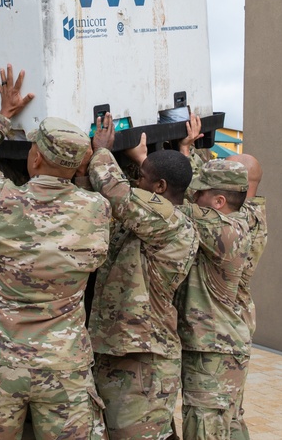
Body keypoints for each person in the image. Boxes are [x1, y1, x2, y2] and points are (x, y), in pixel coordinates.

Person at [0, 65, 111, 439]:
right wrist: (98, 158)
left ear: (35, 158)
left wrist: (1, 119)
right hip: (64, 365)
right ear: (78, 164)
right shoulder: (97, 211)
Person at [86, 119, 200, 440]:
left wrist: (103, 151)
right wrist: (141, 161)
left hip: (144, 363)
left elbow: (117, 192)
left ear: (160, 187)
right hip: (123, 353)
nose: (137, 182)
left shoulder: (170, 224)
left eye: (143, 179)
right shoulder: (157, 218)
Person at [175, 159, 253, 440]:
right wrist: (186, 150)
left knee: (206, 426)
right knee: (228, 425)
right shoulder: (242, 218)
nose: (194, 197)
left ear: (219, 201)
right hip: (223, 347)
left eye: (201, 193)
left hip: (213, 351)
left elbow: (167, 205)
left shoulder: (222, 230)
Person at [223, 154, 266, 440]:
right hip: (237, 321)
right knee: (231, 410)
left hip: (228, 325)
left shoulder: (241, 221)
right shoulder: (253, 211)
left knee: (224, 414)